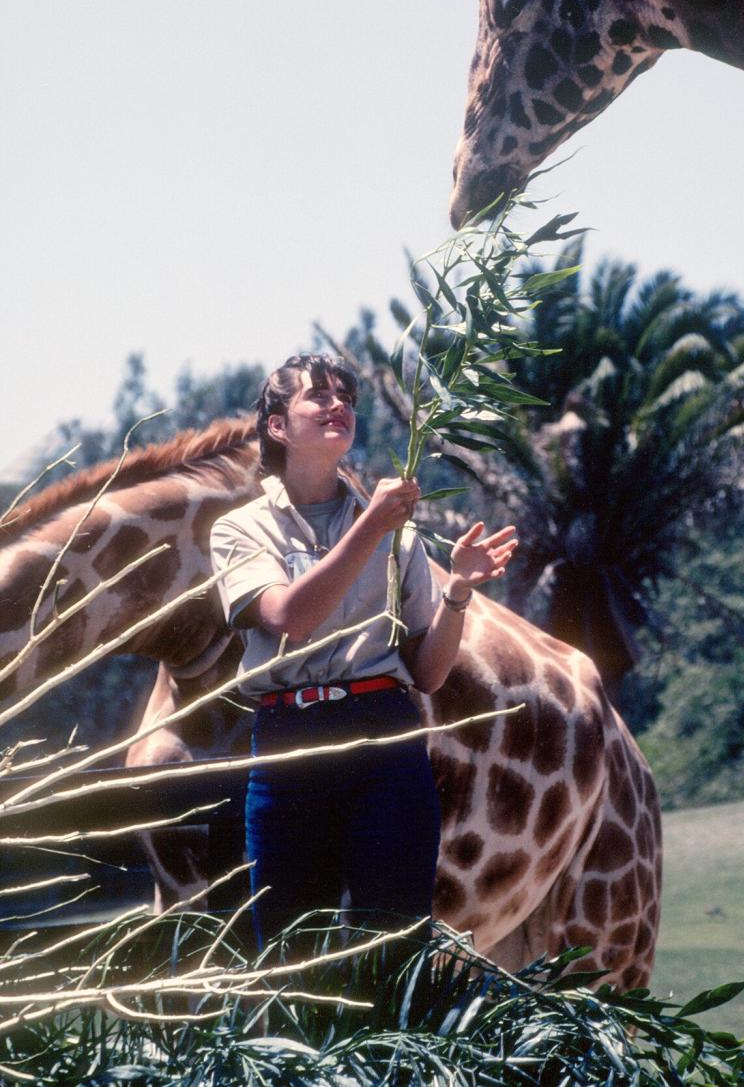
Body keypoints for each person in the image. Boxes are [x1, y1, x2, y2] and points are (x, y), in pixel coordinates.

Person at [209, 352, 517, 951]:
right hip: (289, 742)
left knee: (392, 947)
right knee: (290, 951)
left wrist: (456, 593)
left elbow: (427, 675)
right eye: (318, 396)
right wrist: (371, 525)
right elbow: (291, 618)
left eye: (346, 397)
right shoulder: (240, 529)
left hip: (385, 739)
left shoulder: (397, 534)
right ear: (278, 426)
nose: (338, 405)